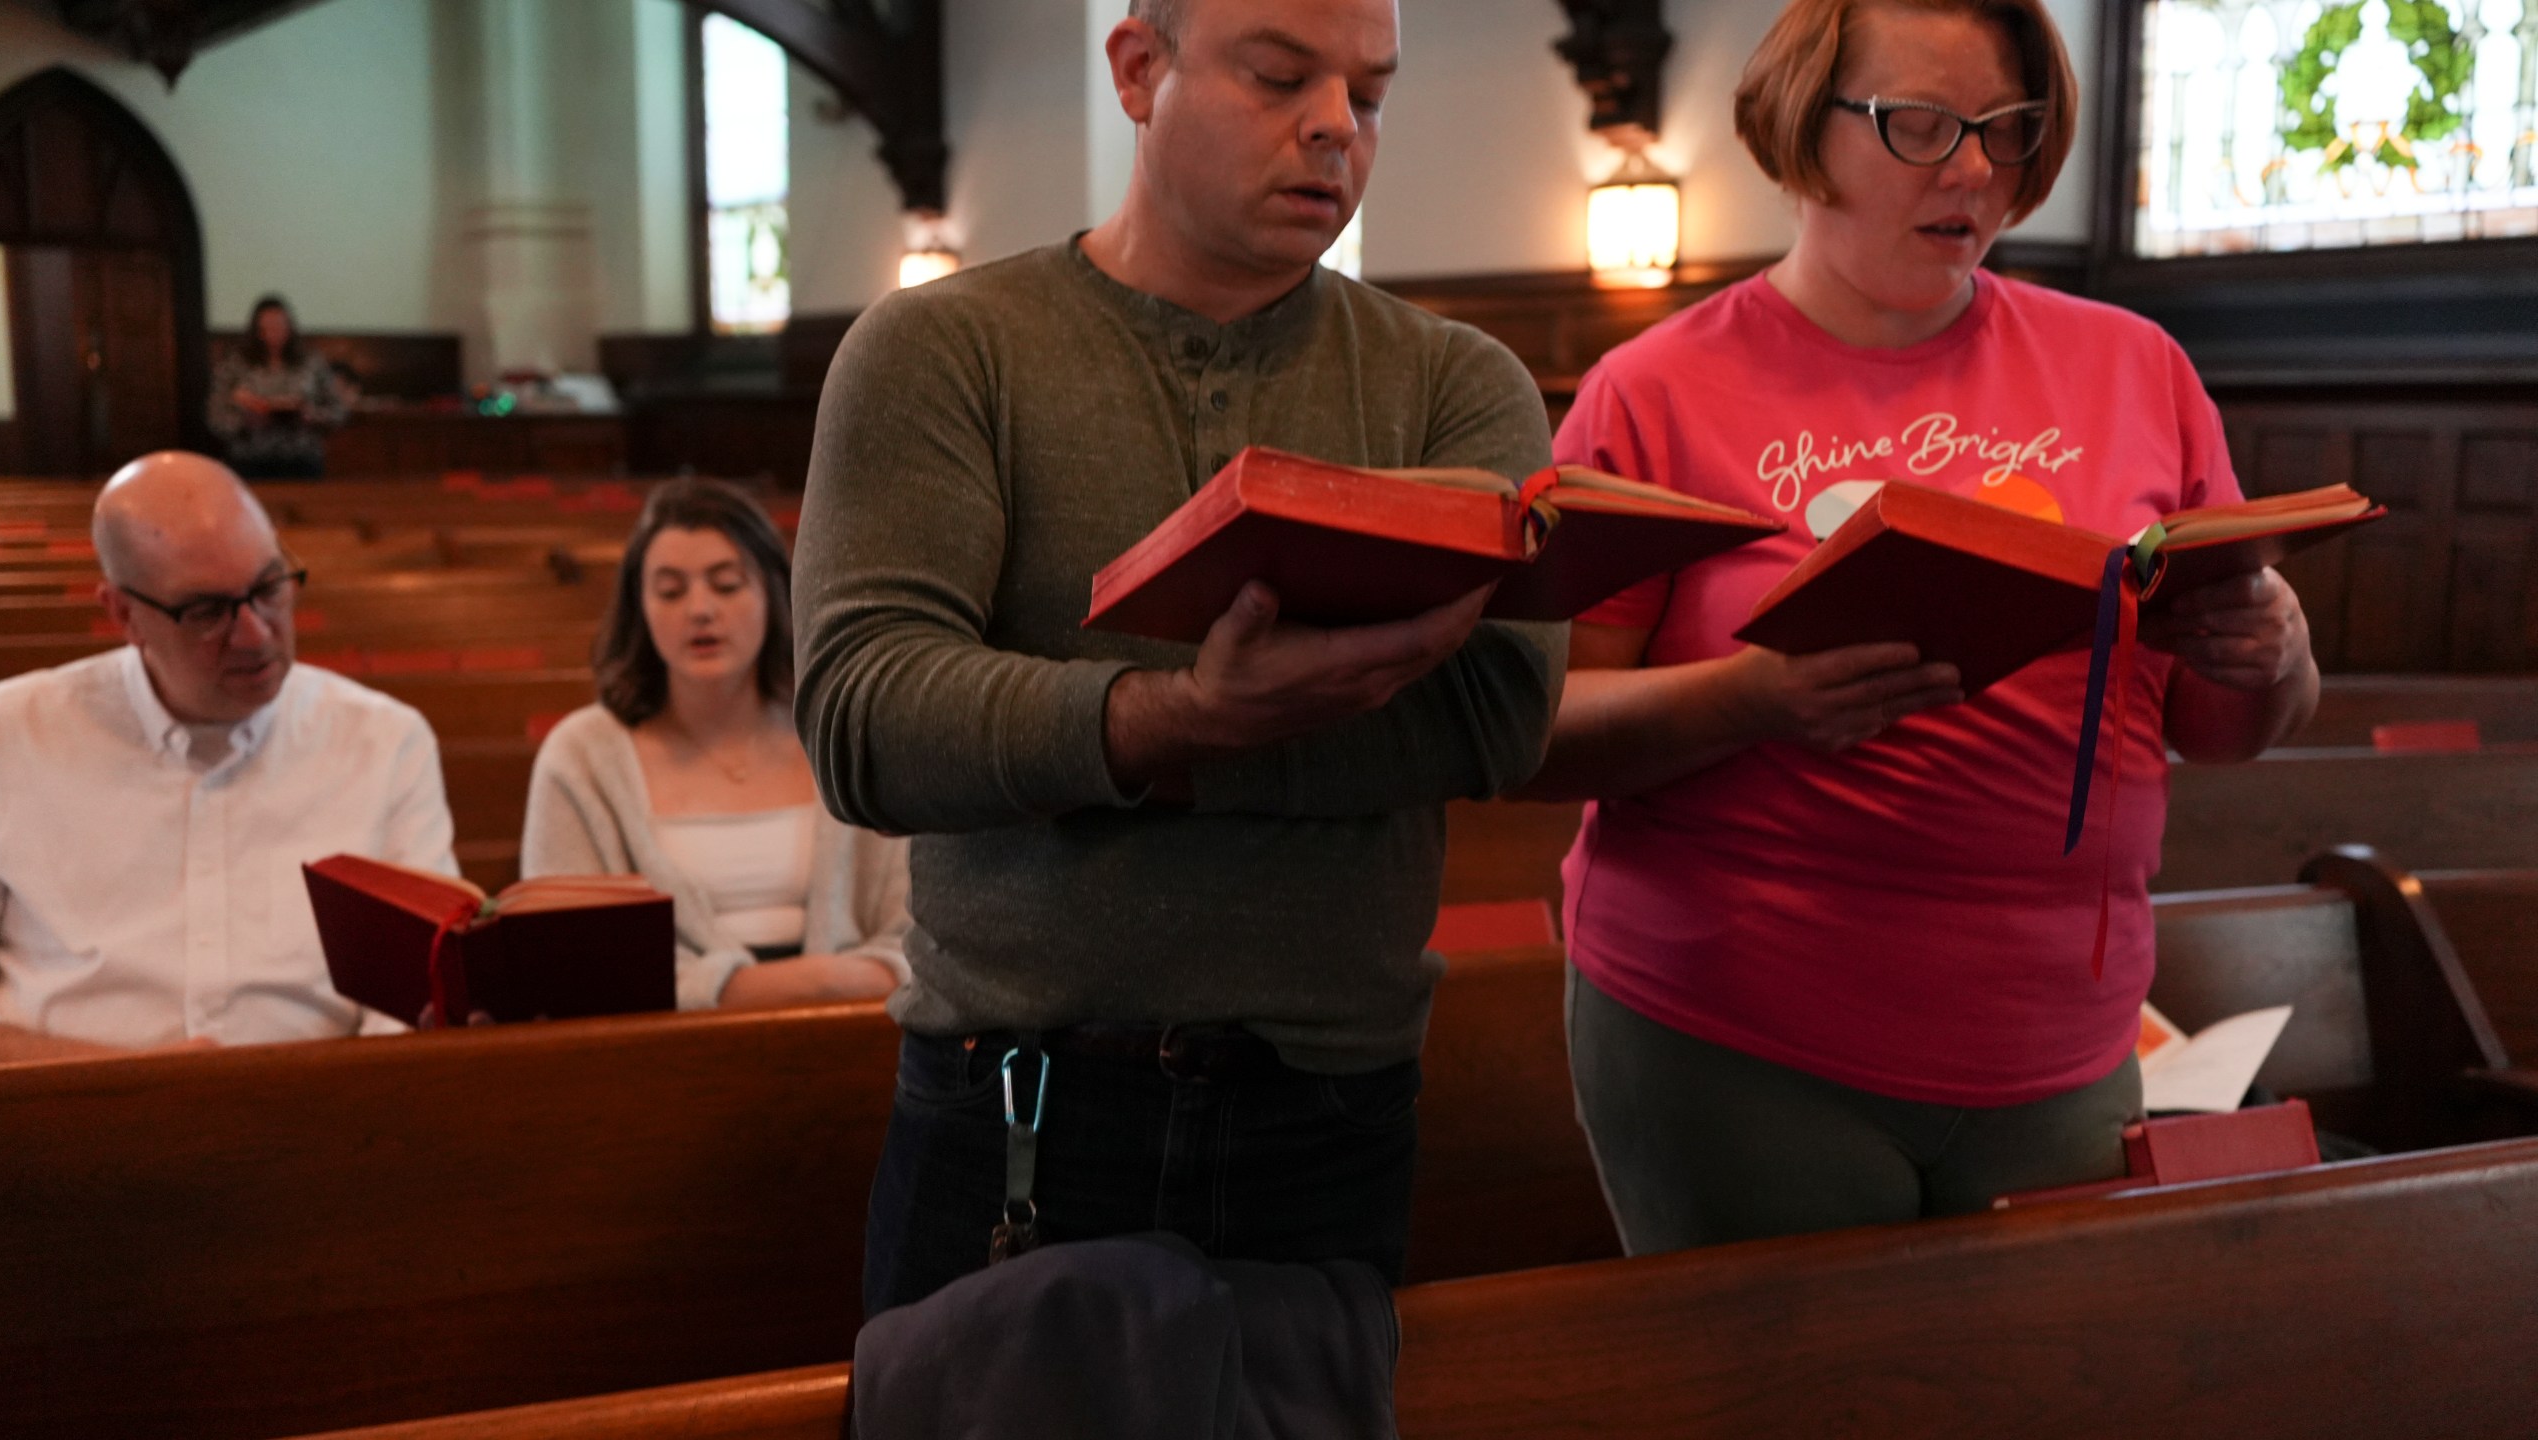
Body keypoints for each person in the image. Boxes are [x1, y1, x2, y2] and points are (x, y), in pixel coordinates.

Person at [797, 0, 1564, 1316]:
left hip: (1330, 1098)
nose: (1334, 124)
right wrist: (1174, 716)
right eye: (1280, 77)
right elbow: (870, 719)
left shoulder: (1454, 382)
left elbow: (1492, 719)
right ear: (1139, 69)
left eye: (1369, 96)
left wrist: (1131, 743)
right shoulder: (942, 348)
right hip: (1019, 1089)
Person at [1519, 0, 2322, 1251]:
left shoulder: (2134, 367)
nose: (1973, 171)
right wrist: (1757, 700)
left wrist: (2273, 652)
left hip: (2058, 1033)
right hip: (1738, 1038)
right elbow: (1530, 731)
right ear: (1802, 128)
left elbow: (2225, 729)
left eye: (2005, 132)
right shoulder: (1655, 391)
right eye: (1920, 125)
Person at [0, 452, 457, 1063]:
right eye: (206, 611)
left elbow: (414, 995)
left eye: (268, 589)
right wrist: (129, 1083)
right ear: (125, 615)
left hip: (319, 1120)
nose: (255, 635)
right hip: (65, 1118)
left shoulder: (386, 740)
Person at [522, 478, 909, 1012]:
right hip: (658, 1054)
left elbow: (921, 932)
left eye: (726, 585)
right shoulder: (583, 756)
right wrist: (781, 988)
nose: (700, 609)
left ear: (774, 593)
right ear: (641, 608)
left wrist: (855, 984)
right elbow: (567, 964)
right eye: (671, 590)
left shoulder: (846, 734)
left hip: (851, 1035)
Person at [207, 295, 350, 480]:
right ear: (257, 330)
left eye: (280, 325)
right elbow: (215, 414)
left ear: (290, 327)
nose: (275, 332)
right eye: (268, 327)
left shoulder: (311, 362)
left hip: (301, 459)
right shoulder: (235, 364)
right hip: (250, 460)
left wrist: (311, 416)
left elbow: (338, 411)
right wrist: (244, 422)